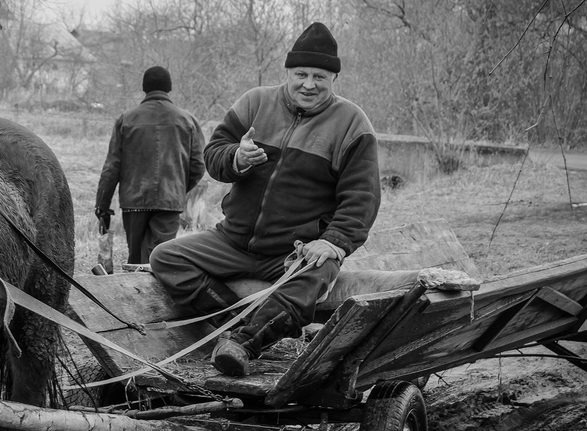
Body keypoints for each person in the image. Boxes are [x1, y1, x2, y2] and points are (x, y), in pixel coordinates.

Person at [149, 22, 381, 376]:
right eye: (300, 73)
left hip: (294, 249)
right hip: (233, 240)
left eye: (319, 76)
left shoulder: (352, 123)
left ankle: (246, 343)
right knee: (165, 257)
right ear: (287, 72)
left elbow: (362, 197)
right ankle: (237, 325)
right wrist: (235, 159)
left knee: (320, 270)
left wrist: (333, 242)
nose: (308, 84)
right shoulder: (255, 102)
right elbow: (214, 154)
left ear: (334, 78)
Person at [95, 66, 206, 264]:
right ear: (169, 87)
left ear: (144, 87)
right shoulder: (188, 120)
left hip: (134, 202)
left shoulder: (126, 119)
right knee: (159, 261)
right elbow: (198, 165)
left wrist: (102, 206)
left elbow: (112, 167)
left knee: (136, 261)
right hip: (170, 202)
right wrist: (178, 188)